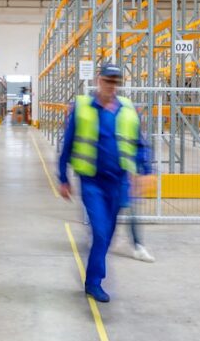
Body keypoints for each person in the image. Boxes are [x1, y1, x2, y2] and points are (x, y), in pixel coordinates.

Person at [57, 63, 153, 302]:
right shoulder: (82, 108)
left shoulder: (128, 110)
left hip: (119, 182)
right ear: (99, 80)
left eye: (115, 82)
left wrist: (146, 170)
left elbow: (139, 144)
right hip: (92, 182)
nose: (111, 86)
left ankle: (94, 277)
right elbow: (67, 144)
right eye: (108, 80)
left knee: (107, 234)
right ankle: (94, 282)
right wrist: (63, 177)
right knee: (100, 232)